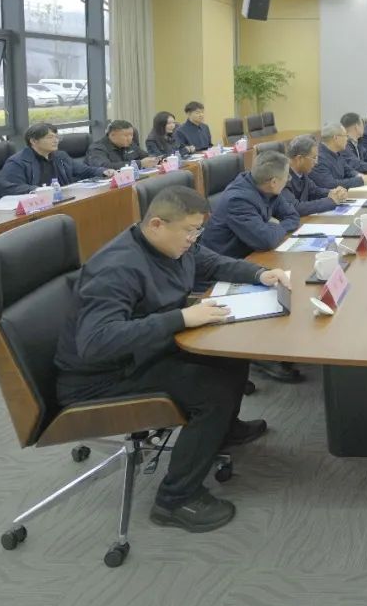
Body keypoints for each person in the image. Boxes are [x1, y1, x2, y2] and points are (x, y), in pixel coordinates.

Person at [55, 186, 289, 532]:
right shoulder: (117, 267)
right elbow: (96, 342)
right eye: (190, 231)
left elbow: (212, 262)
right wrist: (180, 319)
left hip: (142, 352)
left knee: (230, 353)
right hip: (102, 376)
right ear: (157, 225)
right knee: (211, 391)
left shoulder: (174, 246)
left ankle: (223, 430)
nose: (194, 239)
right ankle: (175, 500)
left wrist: (259, 274)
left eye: (198, 232)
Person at [200, 150, 300, 259]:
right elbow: (265, 240)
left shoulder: (268, 188)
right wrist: (276, 227)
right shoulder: (238, 201)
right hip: (223, 261)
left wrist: (273, 227)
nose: (288, 180)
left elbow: (293, 216)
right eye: (287, 177)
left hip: (249, 253)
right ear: (274, 182)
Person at [1, 123, 113, 189]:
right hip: (36, 207)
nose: (56, 141)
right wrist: (40, 191)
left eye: (57, 137)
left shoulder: (60, 156)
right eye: (50, 137)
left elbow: (84, 170)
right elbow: (13, 189)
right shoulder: (18, 163)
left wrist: (103, 171)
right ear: (34, 141)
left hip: (62, 200)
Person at [283, 134, 348, 216]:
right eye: (314, 158)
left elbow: (315, 191)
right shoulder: (281, 176)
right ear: (299, 159)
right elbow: (296, 208)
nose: (316, 162)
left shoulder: (302, 172)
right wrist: (331, 201)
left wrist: (334, 193)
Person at [311, 122, 367, 190]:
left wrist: (360, 176)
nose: (347, 139)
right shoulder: (319, 157)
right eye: (345, 136)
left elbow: (348, 170)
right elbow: (330, 184)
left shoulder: (337, 152)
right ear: (335, 138)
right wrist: (360, 181)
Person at [86, 120, 158, 170]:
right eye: (126, 135)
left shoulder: (130, 144)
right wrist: (139, 164)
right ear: (112, 135)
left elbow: (145, 156)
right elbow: (104, 167)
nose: (129, 138)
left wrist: (155, 159)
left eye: (131, 135)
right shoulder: (97, 148)